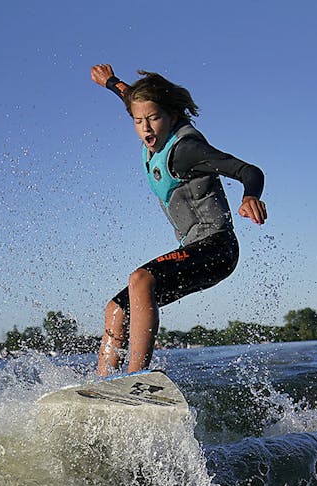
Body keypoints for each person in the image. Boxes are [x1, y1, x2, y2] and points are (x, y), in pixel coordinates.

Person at [90, 64, 268, 376]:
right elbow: (129, 96)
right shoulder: (148, 125)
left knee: (141, 280)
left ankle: (136, 381)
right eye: (138, 121)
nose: (146, 128)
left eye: (154, 118)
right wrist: (110, 82)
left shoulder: (186, 150)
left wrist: (250, 195)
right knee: (117, 309)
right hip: (194, 249)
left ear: (171, 116)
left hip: (217, 249)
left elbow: (248, 170)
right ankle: (103, 386)